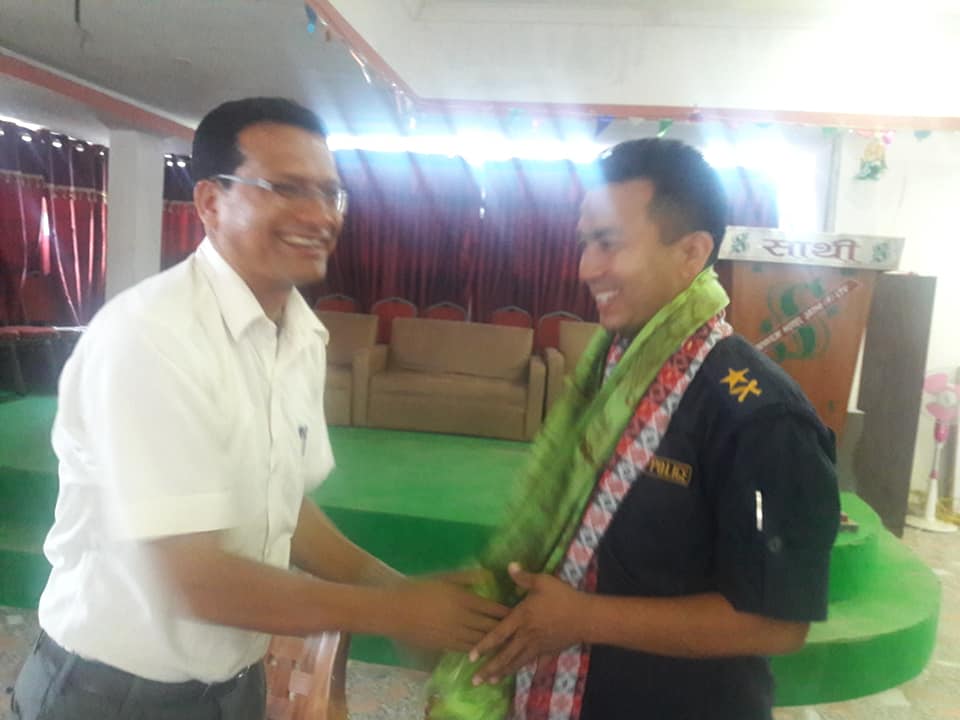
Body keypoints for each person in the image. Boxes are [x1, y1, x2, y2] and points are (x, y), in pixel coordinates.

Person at [12, 97, 506, 720]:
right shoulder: (152, 337)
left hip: (233, 686)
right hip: (111, 696)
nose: (320, 215)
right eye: (287, 189)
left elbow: (282, 503)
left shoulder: (298, 334)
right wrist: (395, 612)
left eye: (330, 193)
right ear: (210, 202)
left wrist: (395, 589)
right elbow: (193, 579)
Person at [428, 138, 840, 720]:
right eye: (584, 243)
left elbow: (777, 623)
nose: (585, 268)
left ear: (691, 252)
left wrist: (583, 618)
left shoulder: (761, 415)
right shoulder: (611, 372)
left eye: (609, 243)